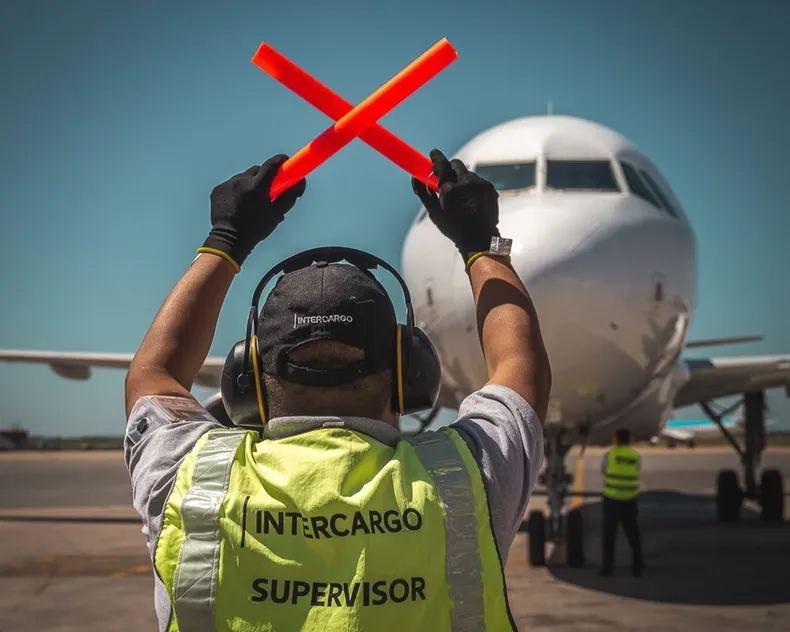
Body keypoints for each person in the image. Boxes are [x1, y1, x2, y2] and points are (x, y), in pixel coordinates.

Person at [124, 150, 552, 631]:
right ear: (408, 370)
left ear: (250, 378)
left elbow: (152, 375)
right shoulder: (468, 478)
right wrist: (481, 243)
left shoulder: (190, 478)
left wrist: (225, 240)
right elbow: (521, 367)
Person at [600, 428, 644, 577]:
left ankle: (608, 568)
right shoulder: (635, 456)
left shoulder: (609, 455)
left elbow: (603, 470)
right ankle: (637, 566)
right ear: (630, 440)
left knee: (609, 536)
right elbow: (637, 470)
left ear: (615, 439)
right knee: (633, 534)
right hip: (630, 499)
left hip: (611, 498)